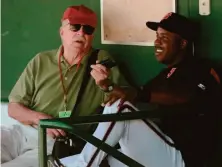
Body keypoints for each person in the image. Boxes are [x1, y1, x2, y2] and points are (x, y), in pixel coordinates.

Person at [58, 12, 221, 167]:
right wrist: (107, 85)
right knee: (94, 161)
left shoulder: (201, 68)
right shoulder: (166, 75)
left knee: (121, 107)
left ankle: (84, 164)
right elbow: (137, 94)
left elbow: (183, 96)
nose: (157, 42)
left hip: (183, 158)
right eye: (157, 37)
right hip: (159, 150)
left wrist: (136, 95)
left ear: (183, 43)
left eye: (164, 38)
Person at [1, 5, 135, 167]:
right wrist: (42, 119)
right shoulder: (41, 60)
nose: (81, 33)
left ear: (92, 36)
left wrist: (106, 85)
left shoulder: (100, 61)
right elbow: (13, 108)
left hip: (56, 143)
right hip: (21, 132)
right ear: (62, 31)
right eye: (74, 27)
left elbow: (126, 100)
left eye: (88, 29)